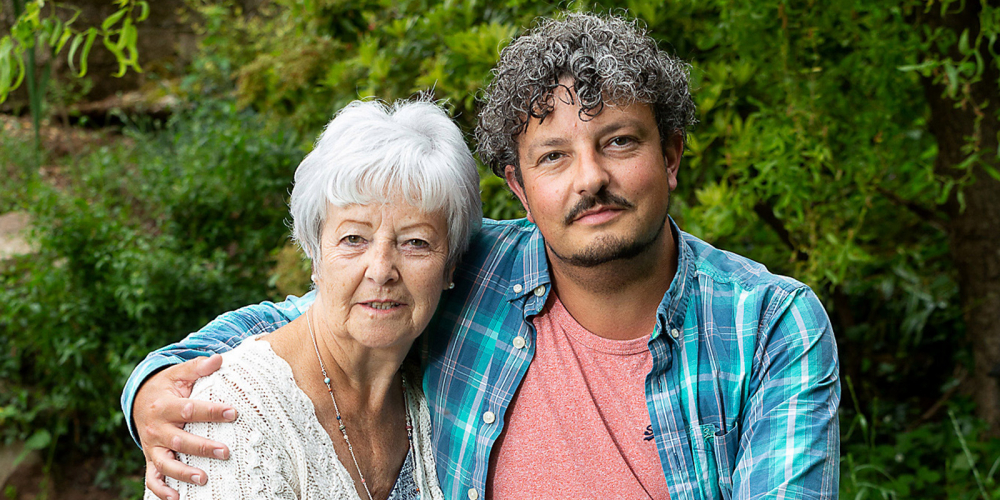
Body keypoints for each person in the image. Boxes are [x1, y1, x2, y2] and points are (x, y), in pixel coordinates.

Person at [126, 12, 840, 500]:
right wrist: (154, 385)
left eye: (619, 141)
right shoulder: (476, 266)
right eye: (554, 156)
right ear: (519, 188)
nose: (590, 178)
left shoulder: (769, 326)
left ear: (673, 153)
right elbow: (319, 313)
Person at [139, 98, 482, 500]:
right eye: (354, 238)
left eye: (416, 242)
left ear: (450, 267)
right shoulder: (232, 414)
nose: (381, 269)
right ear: (314, 253)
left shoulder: (423, 398)